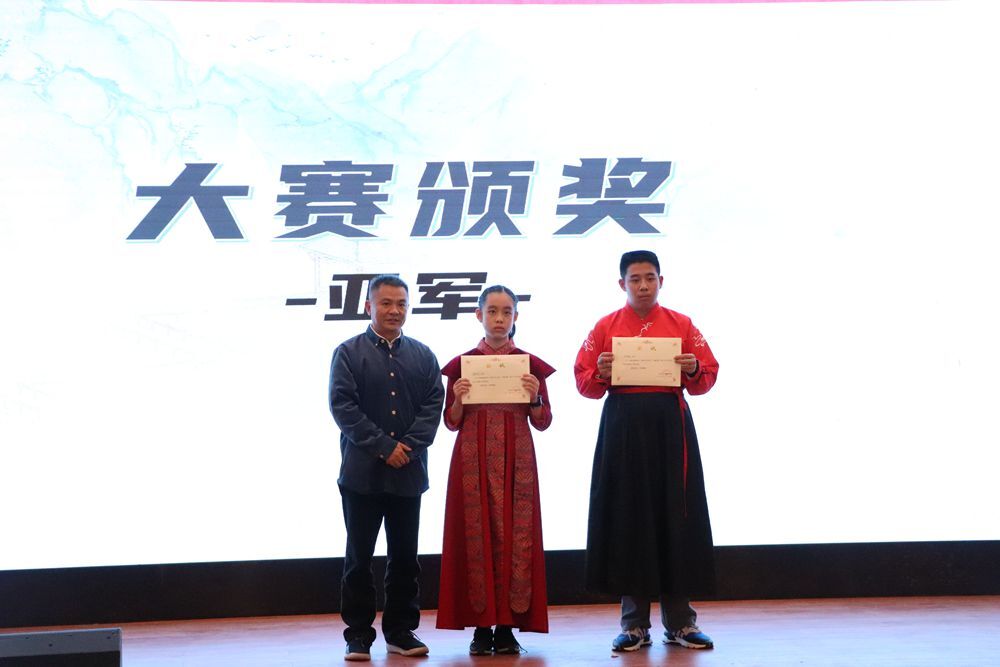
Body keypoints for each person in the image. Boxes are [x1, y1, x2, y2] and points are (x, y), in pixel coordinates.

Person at [574, 250, 719, 653]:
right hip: (623, 427)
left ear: (661, 281)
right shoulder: (605, 326)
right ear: (622, 284)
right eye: (635, 279)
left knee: (677, 517)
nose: (643, 286)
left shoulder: (681, 324)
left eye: (650, 278)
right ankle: (634, 625)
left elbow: (708, 375)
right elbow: (583, 382)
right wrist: (601, 372)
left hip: (671, 428)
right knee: (629, 519)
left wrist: (692, 368)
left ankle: (682, 622)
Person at [329, 275, 445, 662]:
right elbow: (343, 407)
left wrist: (406, 448)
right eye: (386, 303)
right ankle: (358, 635)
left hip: (408, 472)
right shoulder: (348, 353)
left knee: (405, 557)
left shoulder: (424, 355)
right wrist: (384, 447)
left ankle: (400, 631)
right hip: (361, 474)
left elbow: (433, 406)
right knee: (358, 558)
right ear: (369, 306)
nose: (395, 311)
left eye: (401, 304)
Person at [436, 285, 555, 655]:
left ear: (516, 316)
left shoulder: (529, 365)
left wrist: (534, 396)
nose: (499, 319)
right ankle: (481, 628)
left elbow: (543, 421)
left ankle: (506, 628)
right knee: (477, 535)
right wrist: (458, 398)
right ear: (479, 315)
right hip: (473, 457)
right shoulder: (463, 365)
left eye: (506, 312)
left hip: (517, 458)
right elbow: (451, 422)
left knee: (515, 537)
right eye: (492, 311)